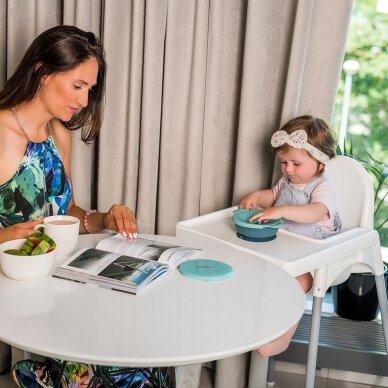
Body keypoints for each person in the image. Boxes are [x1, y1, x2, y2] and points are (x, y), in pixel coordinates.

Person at [0, 25, 144, 386]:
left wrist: (103, 218)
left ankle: (44, 374)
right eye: (78, 85)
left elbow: (65, 212)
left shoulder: (58, 135)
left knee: (140, 347)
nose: (83, 100)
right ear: (42, 71)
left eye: (89, 90)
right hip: (15, 285)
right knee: (124, 374)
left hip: (61, 280)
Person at [239, 115, 342, 357]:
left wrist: (283, 210)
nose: (287, 169)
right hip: (286, 250)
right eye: (283, 162)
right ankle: (259, 325)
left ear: (319, 162)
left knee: (296, 285)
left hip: (315, 256)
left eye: (296, 164)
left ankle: (284, 336)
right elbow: (272, 197)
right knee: (253, 272)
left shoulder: (323, 187)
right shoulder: (286, 181)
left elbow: (316, 211)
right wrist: (256, 196)